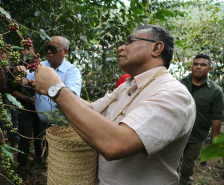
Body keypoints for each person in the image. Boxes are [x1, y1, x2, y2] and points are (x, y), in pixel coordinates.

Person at [32, 25, 196, 185]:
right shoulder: (127, 86)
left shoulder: (173, 94)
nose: (120, 48)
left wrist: (57, 90)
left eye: (130, 41)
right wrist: (52, 88)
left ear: (156, 48)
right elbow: (91, 110)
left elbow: (115, 144)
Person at [14, 36, 82, 165]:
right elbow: (25, 81)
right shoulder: (40, 66)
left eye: (53, 49)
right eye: (47, 48)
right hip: (42, 120)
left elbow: (72, 97)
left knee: (58, 158)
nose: (49, 52)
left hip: (60, 126)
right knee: (40, 146)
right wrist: (19, 72)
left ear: (65, 52)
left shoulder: (72, 72)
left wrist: (50, 86)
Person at [179, 54, 224, 185]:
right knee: (171, 162)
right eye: (195, 64)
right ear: (191, 66)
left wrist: (213, 141)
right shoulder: (180, 84)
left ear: (209, 69)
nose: (198, 67)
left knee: (188, 166)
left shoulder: (216, 91)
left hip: (197, 136)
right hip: (175, 132)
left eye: (203, 65)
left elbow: (217, 117)